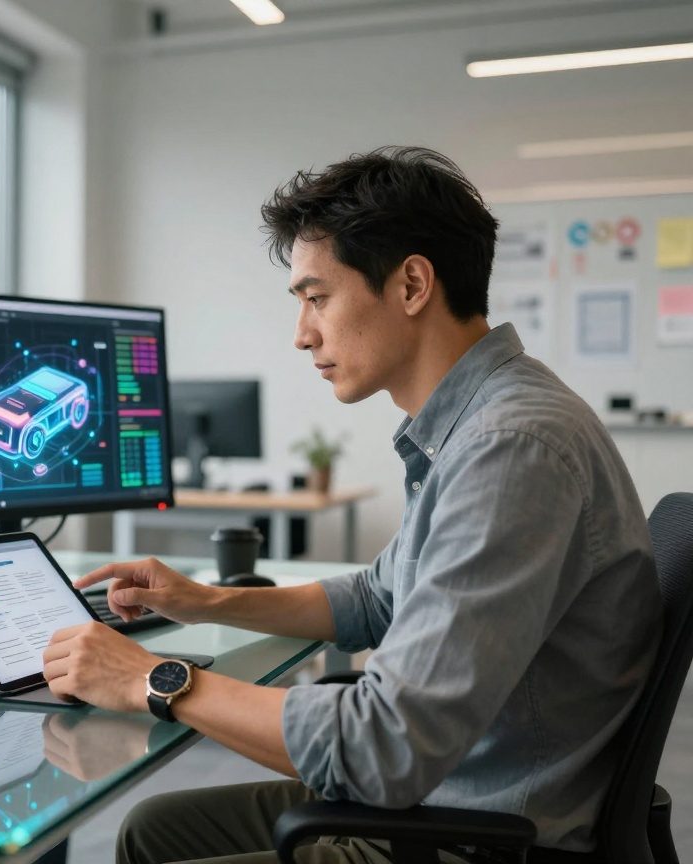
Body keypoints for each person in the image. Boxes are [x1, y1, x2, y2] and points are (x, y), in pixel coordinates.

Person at [41, 146, 661, 863]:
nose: (303, 335)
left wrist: (152, 678)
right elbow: (376, 597)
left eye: (317, 298)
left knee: (157, 839)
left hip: (473, 833)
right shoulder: (482, 425)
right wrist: (207, 602)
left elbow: (384, 748)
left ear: (412, 284)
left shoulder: (512, 447)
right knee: (154, 830)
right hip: (452, 789)